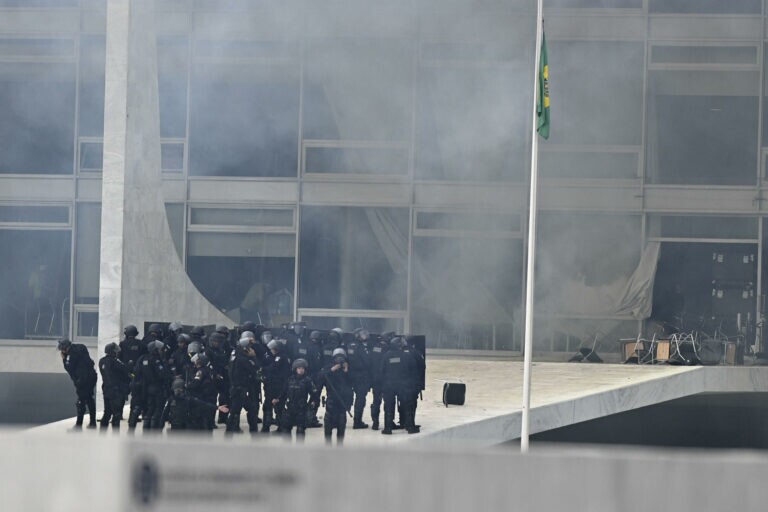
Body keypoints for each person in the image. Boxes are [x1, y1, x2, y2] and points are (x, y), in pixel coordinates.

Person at [380, 337, 418, 435]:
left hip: (388, 385)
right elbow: (413, 370)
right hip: (403, 385)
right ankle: (410, 427)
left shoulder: (386, 356)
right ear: (400, 345)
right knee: (407, 406)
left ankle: (388, 428)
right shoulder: (407, 356)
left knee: (388, 406)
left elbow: (381, 371)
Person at [58, 339, 98, 429]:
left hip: (82, 380)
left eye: (62, 349)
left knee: (81, 402)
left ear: (65, 348)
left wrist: (64, 359)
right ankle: (92, 422)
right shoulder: (81, 347)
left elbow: (69, 368)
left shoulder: (70, 356)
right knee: (89, 399)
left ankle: (79, 425)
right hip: (92, 376)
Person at [318, 347, 353, 445]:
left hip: (343, 401)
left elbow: (352, 382)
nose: (340, 360)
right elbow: (320, 376)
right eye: (337, 357)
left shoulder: (348, 368)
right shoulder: (329, 367)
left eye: (341, 357)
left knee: (341, 425)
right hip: (331, 400)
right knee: (328, 424)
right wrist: (331, 370)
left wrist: (346, 370)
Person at [226, 337, 261, 434]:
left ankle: (229, 431)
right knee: (249, 410)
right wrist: (253, 356)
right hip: (240, 389)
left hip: (235, 388)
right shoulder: (243, 359)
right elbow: (255, 367)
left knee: (235, 412)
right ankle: (253, 431)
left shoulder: (234, 356)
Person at [276, 358, 316, 442]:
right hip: (289, 407)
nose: (301, 370)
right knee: (286, 429)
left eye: (302, 368)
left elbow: (314, 394)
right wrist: (278, 399)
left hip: (301, 409)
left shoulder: (308, 380)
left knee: (300, 430)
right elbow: (283, 392)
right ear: (295, 369)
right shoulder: (290, 379)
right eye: (299, 368)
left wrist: (311, 403)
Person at [138, 340, 172, 432]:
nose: (161, 351)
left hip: (147, 387)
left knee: (150, 408)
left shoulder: (144, 359)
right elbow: (162, 374)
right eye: (159, 350)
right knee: (158, 408)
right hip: (157, 387)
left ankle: (146, 428)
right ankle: (155, 428)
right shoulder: (156, 360)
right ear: (154, 350)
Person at [98, 342, 131, 428]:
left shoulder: (102, 361)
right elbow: (125, 372)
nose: (117, 353)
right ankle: (115, 436)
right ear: (112, 352)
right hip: (116, 390)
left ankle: (102, 433)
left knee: (107, 412)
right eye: (115, 351)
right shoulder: (115, 361)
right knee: (116, 414)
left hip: (106, 389)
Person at [261, 339, 290, 433]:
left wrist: (262, 369)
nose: (271, 351)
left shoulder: (281, 358)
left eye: (273, 349)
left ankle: (281, 428)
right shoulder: (276, 357)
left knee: (279, 408)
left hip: (279, 386)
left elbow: (273, 368)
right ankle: (267, 427)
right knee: (268, 406)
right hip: (272, 386)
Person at [348, 329, 371, 429]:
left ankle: (338, 420)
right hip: (361, 376)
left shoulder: (349, 345)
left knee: (350, 397)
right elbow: (367, 362)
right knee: (360, 399)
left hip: (350, 375)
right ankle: (357, 421)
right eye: (362, 334)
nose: (365, 336)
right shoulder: (361, 348)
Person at [367, 334, 388, 430]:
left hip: (375, 378)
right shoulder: (388, 348)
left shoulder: (373, 348)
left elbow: (369, 362)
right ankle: (389, 423)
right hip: (385, 379)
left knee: (376, 401)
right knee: (388, 401)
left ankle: (375, 423)